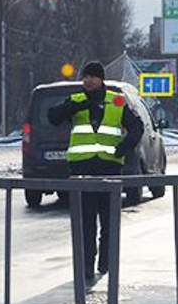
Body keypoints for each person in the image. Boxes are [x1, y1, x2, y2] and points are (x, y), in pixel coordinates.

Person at [47, 61, 143, 276]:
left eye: (92, 77)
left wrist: (123, 148)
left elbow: (137, 127)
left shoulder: (117, 100)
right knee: (86, 222)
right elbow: (53, 117)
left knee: (109, 222)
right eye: (85, 77)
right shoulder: (76, 100)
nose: (88, 80)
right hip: (82, 169)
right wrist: (75, 107)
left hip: (109, 169)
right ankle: (86, 267)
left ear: (101, 79)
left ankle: (105, 264)